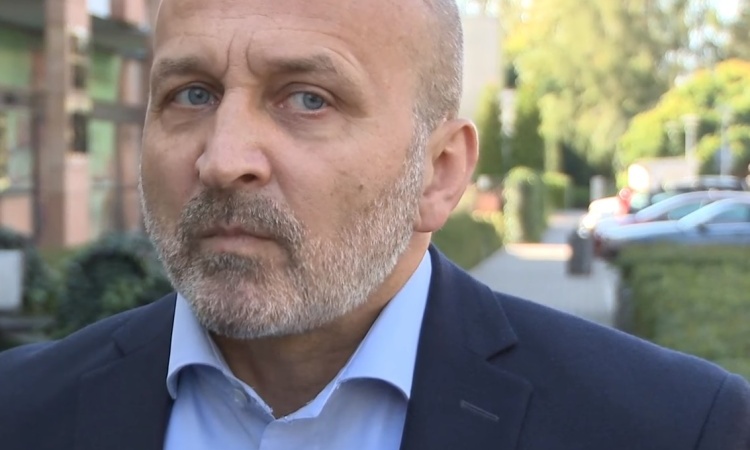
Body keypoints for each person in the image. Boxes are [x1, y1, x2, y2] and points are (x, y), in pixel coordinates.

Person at [1, 0, 749, 448]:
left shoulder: (671, 428)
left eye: (308, 98)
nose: (223, 159)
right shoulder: (21, 410)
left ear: (440, 172)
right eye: (192, 94)